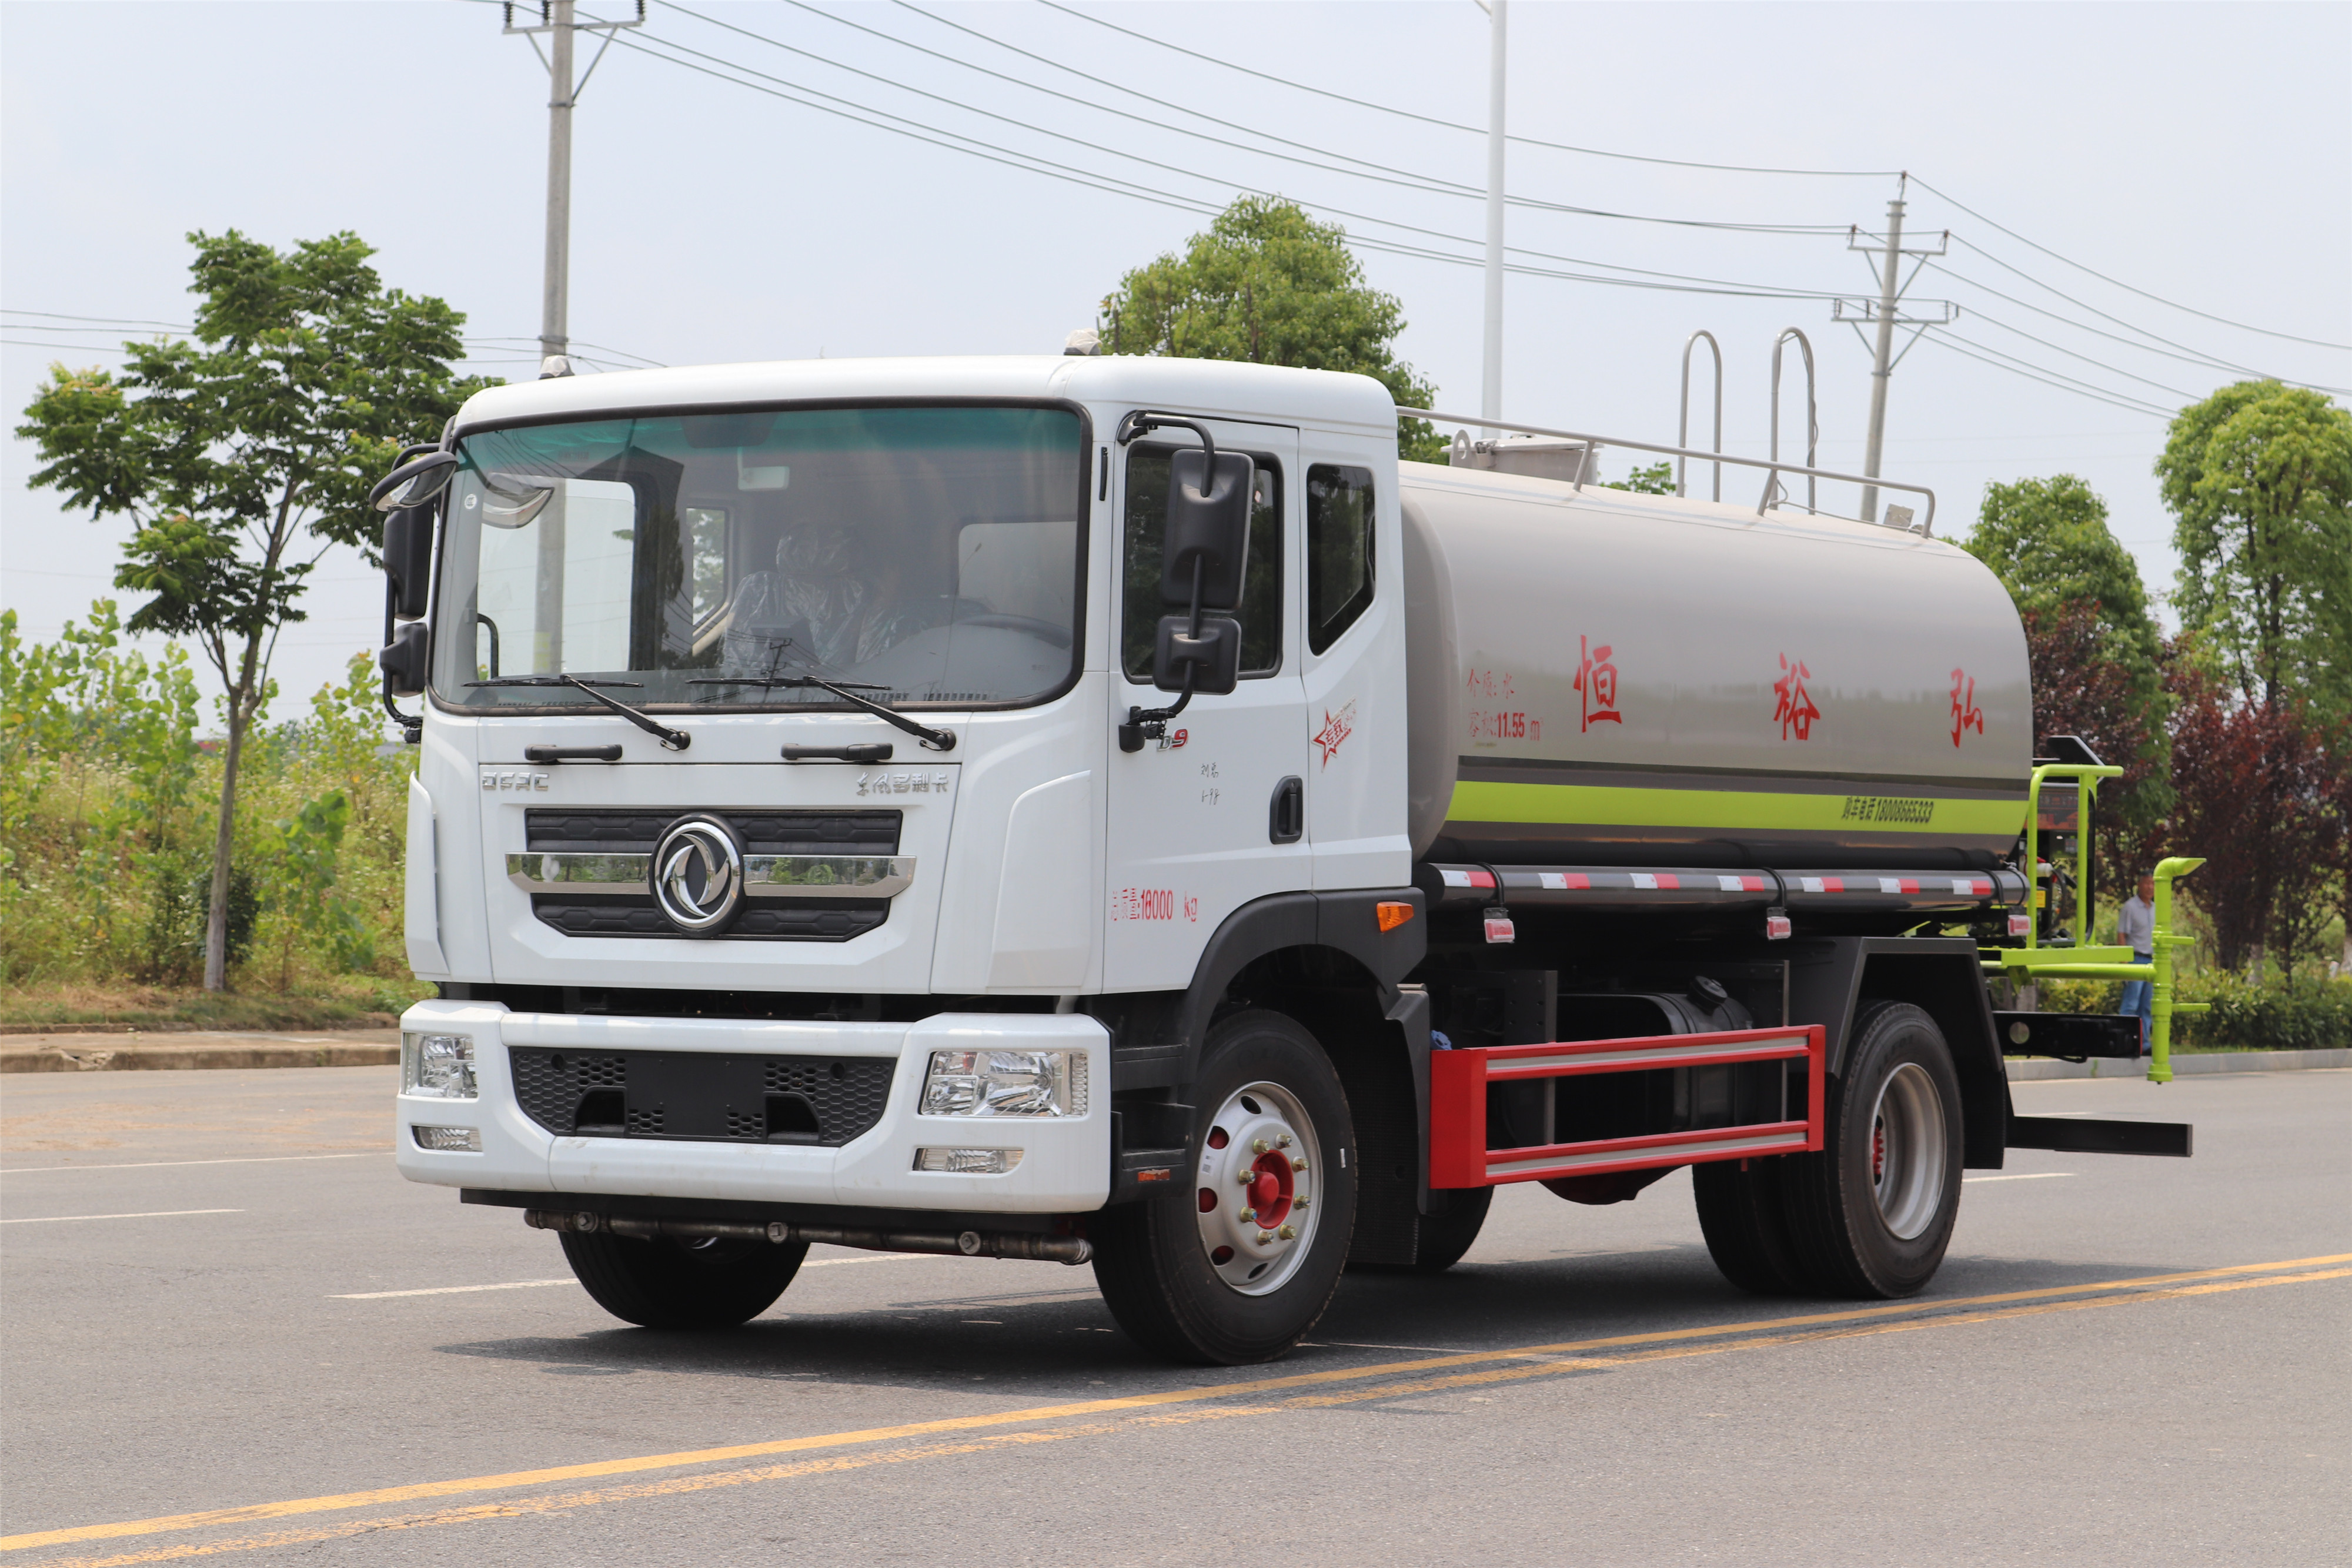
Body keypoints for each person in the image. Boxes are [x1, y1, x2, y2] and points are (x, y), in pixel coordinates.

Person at [2116, 874, 2156, 1054]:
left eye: (2153, 884)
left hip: (2152, 961)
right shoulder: (2130, 907)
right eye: (2147, 883)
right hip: (2135, 958)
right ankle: (2124, 1042)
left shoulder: (2156, 908)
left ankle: (2144, 1044)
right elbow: (2122, 934)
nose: (2150, 887)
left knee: (2147, 1006)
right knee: (2131, 1004)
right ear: (2139, 884)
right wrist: (2124, 963)